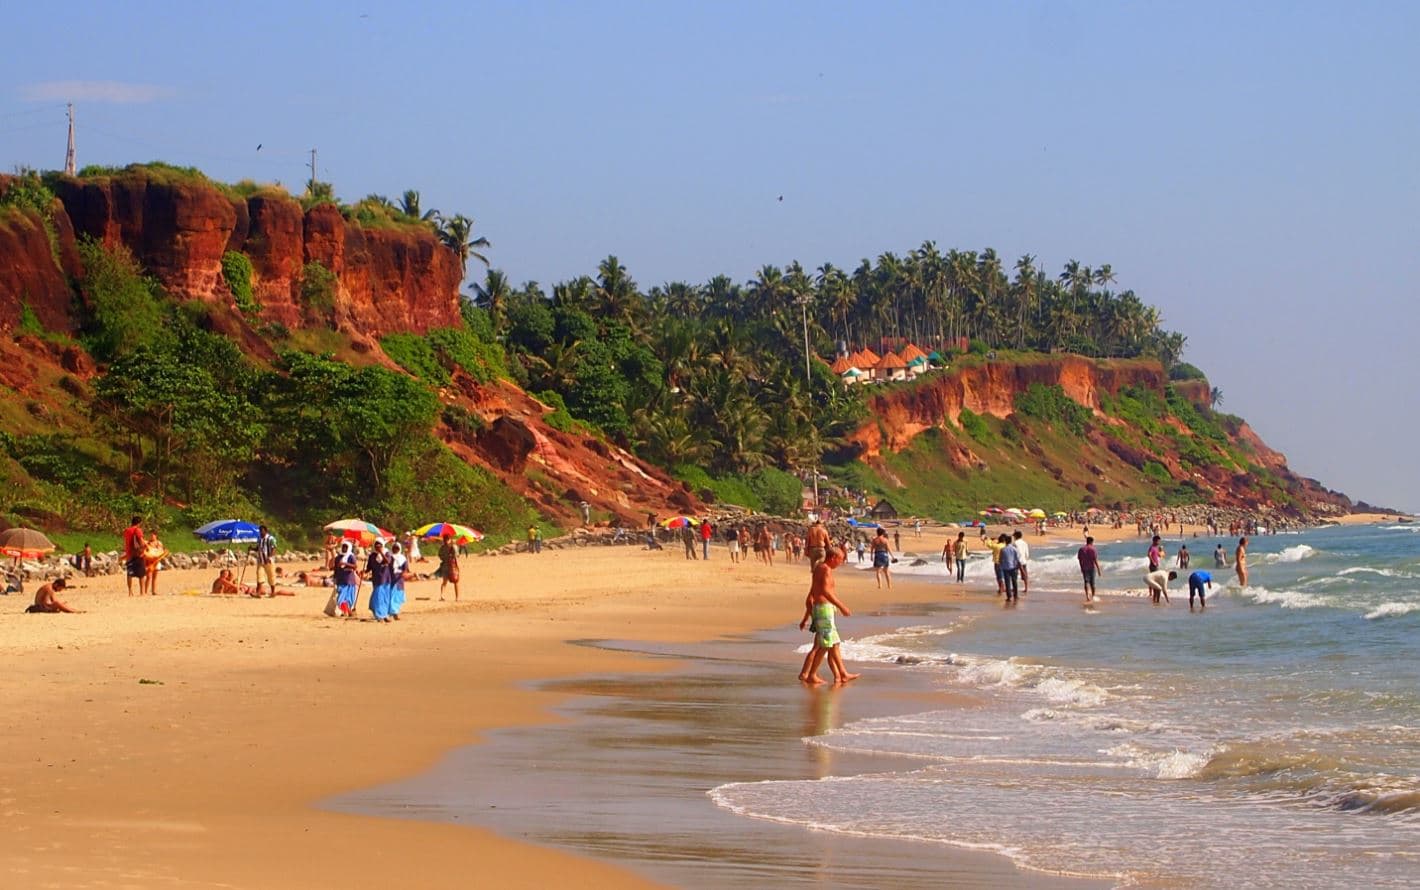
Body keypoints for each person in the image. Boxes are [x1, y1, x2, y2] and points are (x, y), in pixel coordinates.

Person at [798, 547, 860, 685]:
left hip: (824, 609)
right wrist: (841, 606)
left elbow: (813, 592)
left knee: (834, 643)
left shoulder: (821, 568)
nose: (842, 562)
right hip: (824, 609)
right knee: (824, 645)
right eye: (841, 559)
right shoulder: (825, 569)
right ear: (833, 558)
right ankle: (811, 674)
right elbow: (825, 591)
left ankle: (842, 674)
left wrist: (807, 615)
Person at [364, 539, 394, 622]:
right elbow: (369, 567)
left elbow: (387, 561)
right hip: (377, 579)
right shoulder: (372, 555)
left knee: (385, 598)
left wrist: (381, 552)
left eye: (379, 545)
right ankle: (379, 615)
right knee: (377, 597)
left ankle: (385, 615)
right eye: (376, 545)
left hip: (386, 578)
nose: (378, 546)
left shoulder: (387, 553)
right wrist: (364, 572)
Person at [333, 541, 360, 616]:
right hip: (341, 580)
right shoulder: (338, 557)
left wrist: (345, 564)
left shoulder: (351, 556)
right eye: (343, 547)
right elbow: (335, 568)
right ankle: (347, 611)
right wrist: (335, 578)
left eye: (346, 547)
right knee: (340, 599)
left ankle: (347, 611)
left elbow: (355, 566)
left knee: (349, 598)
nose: (344, 548)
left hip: (349, 580)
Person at [122, 515, 145, 596]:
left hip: (129, 555)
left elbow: (126, 542)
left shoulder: (126, 531)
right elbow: (141, 542)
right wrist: (145, 548)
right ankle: (142, 592)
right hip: (137, 555)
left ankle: (130, 591)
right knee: (141, 574)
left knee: (130, 574)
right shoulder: (137, 530)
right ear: (139, 523)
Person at [253, 524, 277, 597]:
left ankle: (273, 592)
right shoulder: (259, 539)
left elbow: (274, 549)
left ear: (266, 531)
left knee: (271, 576)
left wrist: (269, 557)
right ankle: (258, 593)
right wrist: (252, 549)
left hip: (269, 561)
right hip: (260, 560)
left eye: (262, 531)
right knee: (259, 575)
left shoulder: (271, 539)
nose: (261, 532)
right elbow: (258, 548)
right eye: (260, 531)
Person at [1078, 536, 1102, 602]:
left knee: (1086, 582)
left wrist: (1081, 567)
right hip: (1091, 568)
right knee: (1093, 583)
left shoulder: (1081, 549)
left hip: (1084, 567)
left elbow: (1080, 560)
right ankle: (1093, 596)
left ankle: (1087, 596)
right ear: (1091, 542)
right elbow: (1095, 560)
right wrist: (1099, 569)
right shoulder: (1093, 549)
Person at [143, 532, 167, 596]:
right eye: (150, 535)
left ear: (156, 536)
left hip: (156, 561)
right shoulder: (147, 543)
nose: (151, 536)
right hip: (149, 562)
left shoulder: (159, 543)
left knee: (155, 577)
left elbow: (161, 552)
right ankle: (145, 591)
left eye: (152, 535)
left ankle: (154, 591)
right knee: (148, 577)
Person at [438, 532, 461, 601]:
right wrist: (454, 546)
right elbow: (457, 555)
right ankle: (457, 597)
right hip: (452, 566)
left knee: (444, 582)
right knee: (456, 581)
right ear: (449, 539)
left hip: (445, 565)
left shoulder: (442, 547)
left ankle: (442, 595)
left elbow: (440, 556)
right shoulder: (452, 546)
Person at [999, 534, 1021, 601]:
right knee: (1014, 582)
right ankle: (1016, 595)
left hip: (1006, 568)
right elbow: (1018, 558)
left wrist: (1001, 565)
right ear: (1011, 541)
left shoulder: (1003, 549)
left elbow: (1000, 559)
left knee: (1007, 582)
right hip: (1014, 567)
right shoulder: (1014, 549)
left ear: (1005, 541)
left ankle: (1009, 596)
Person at [389, 541, 407, 620]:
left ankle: (395, 611)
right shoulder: (389, 557)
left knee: (398, 596)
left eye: (397, 548)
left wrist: (402, 574)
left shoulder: (403, 558)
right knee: (391, 596)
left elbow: (405, 568)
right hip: (391, 578)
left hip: (399, 579)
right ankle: (393, 612)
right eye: (394, 548)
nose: (395, 550)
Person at [1012, 530, 1031, 594]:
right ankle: (1026, 588)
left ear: (1016, 536)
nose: (1013, 537)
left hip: (1016, 561)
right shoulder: (1025, 543)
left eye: (1014, 536)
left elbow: (1014, 552)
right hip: (1023, 561)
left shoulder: (1015, 543)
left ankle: (1015, 588)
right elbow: (1027, 554)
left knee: (1015, 575)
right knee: (1025, 575)